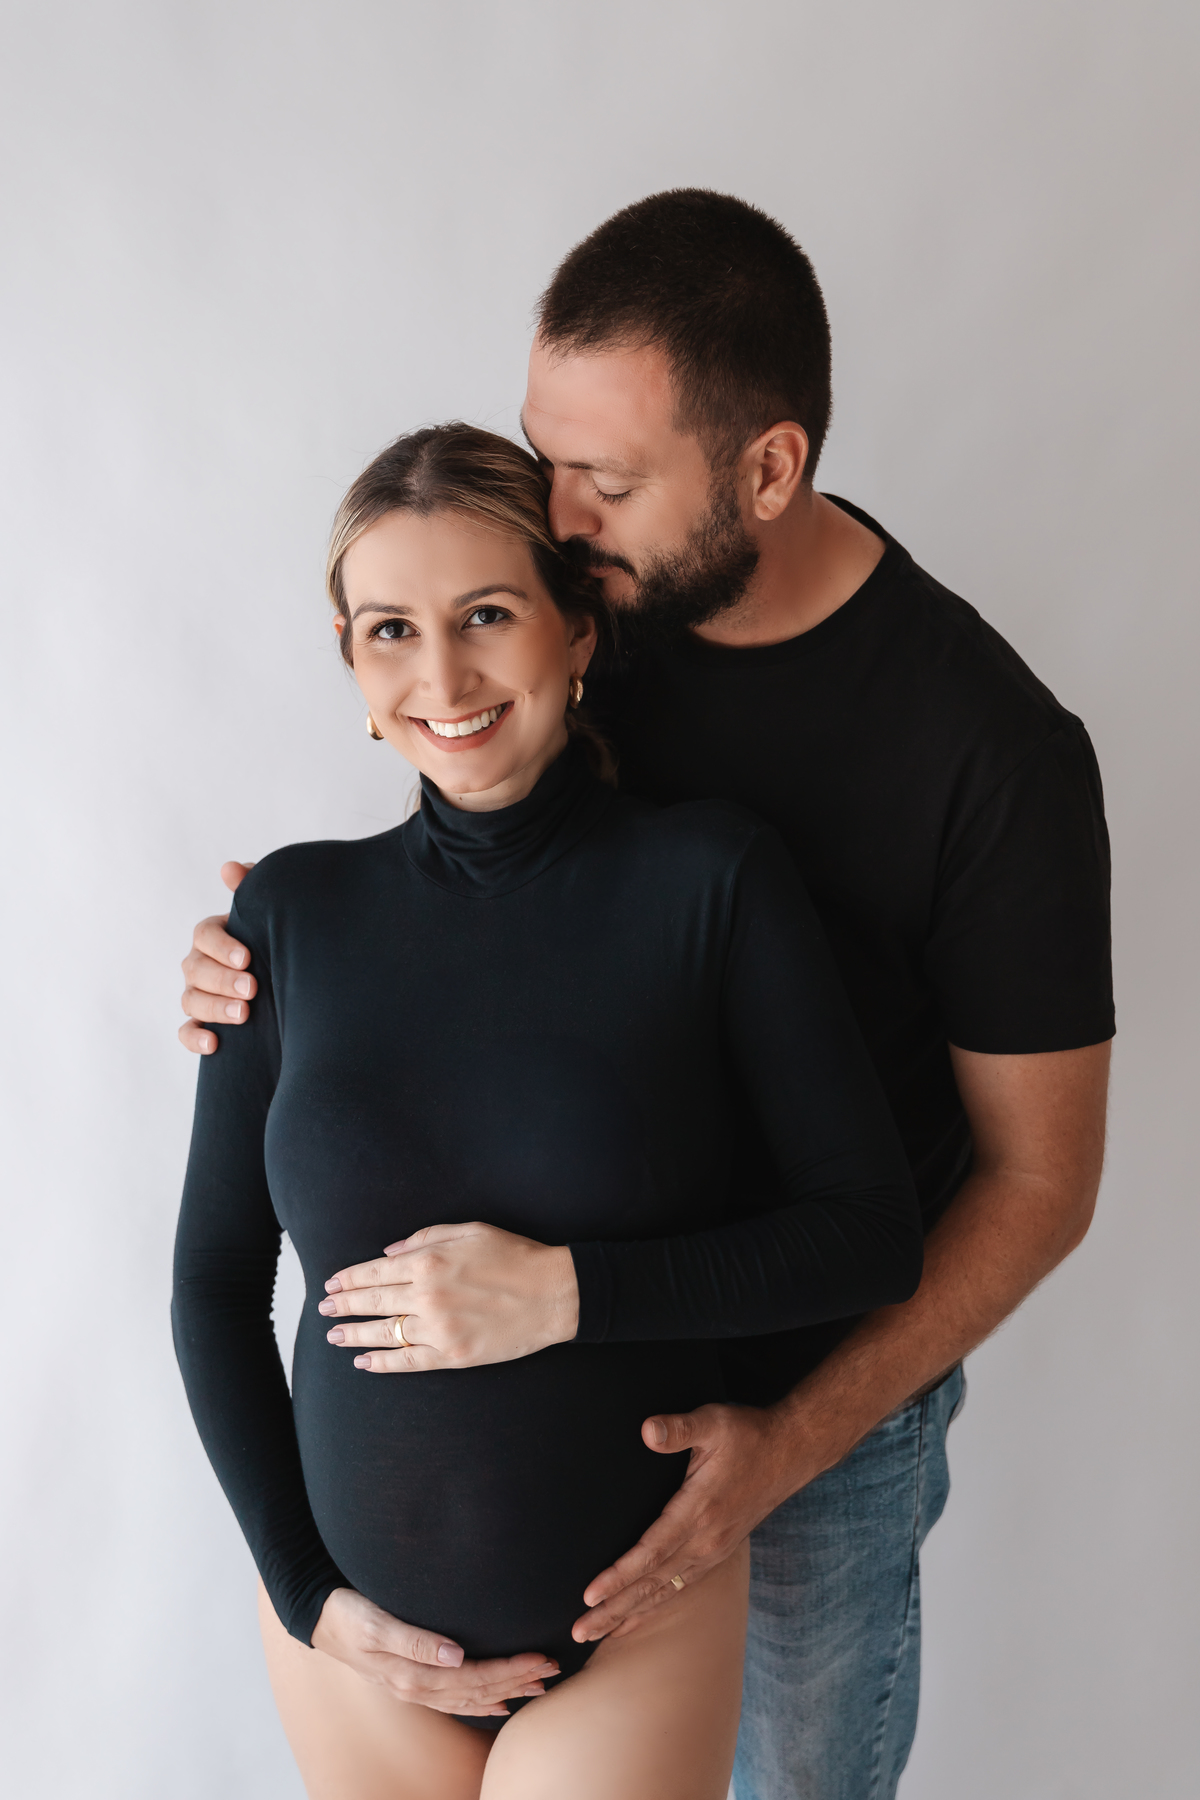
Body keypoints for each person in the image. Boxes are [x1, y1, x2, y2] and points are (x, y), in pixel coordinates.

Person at [179, 192, 1114, 1800]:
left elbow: (1039, 1182)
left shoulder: (991, 756)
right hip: (490, 1440)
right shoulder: (585, 605)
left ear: (768, 470)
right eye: (546, 460)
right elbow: (461, 849)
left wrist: (785, 1442)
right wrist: (256, 963)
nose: (555, 518)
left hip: (820, 1386)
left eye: (602, 484)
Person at [172, 421, 923, 1800]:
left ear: (577, 631)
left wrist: (572, 1294)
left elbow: (870, 1233)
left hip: (630, 1624)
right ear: (351, 663)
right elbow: (215, 1284)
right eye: (392, 631)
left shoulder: (709, 881)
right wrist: (306, 1595)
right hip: (357, 1651)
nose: (443, 677)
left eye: (487, 615)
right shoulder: (287, 915)